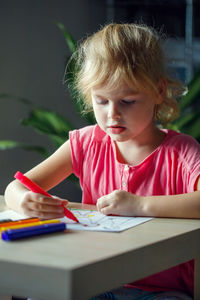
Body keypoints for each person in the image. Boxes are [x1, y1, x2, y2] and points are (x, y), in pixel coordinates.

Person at [5, 23, 200, 300]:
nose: (113, 114)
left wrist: (139, 205)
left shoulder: (181, 152)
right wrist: (24, 199)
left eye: (128, 101)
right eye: (101, 101)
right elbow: (18, 186)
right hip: (94, 282)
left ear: (158, 91)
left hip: (160, 291)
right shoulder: (86, 143)